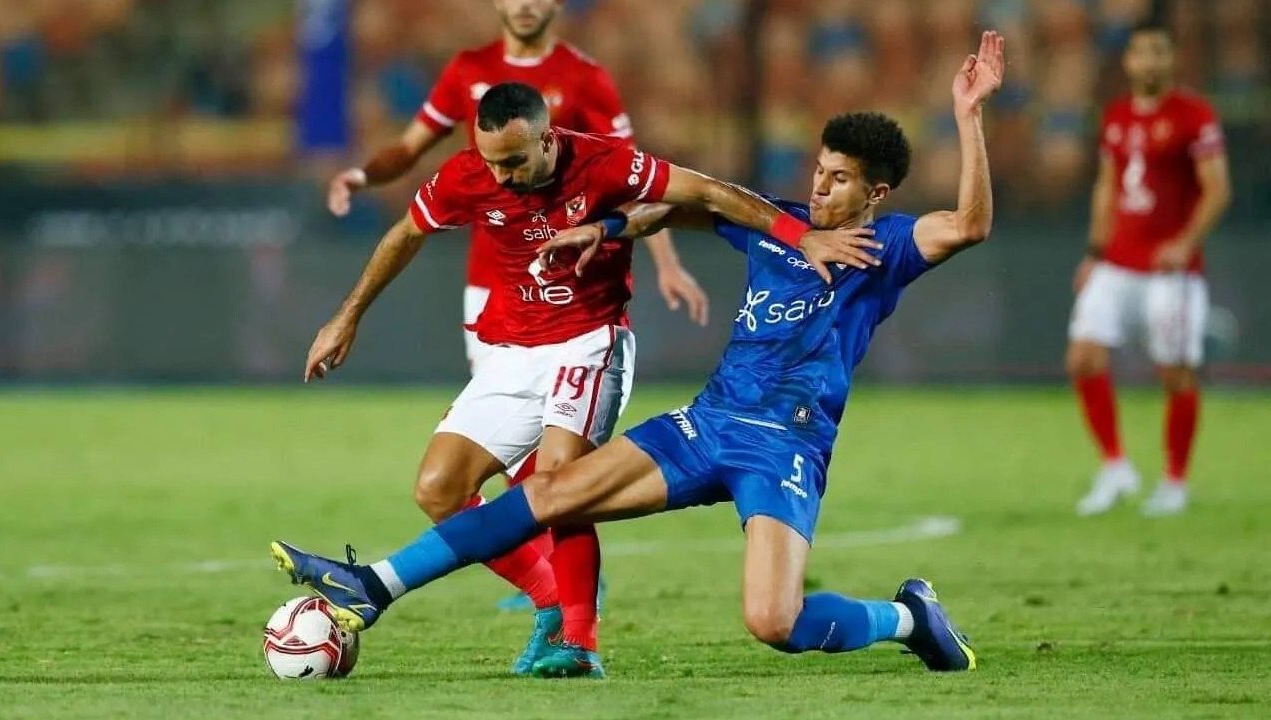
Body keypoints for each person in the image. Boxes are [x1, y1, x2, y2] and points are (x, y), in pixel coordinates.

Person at [274, 32, 1004, 679]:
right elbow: (680, 205)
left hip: (784, 444)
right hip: (708, 423)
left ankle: (909, 618)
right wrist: (610, 229)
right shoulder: (780, 223)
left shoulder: (889, 246)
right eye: (818, 169)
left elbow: (969, 225)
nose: (819, 185)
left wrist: (968, 116)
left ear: (876, 192)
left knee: (774, 622)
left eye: (839, 179)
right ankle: (376, 585)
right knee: (554, 493)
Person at [325, 0, 708, 374]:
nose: (524, 5)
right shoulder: (468, 69)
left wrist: (667, 263)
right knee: (498, 410)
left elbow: (634, 178)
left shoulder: (584, 77)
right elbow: (409, 147)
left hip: (568, 288)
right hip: (490, 281)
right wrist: (363, 177)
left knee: (565, 410)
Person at [1068, 20, 1231, 517]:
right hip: (1118, 261)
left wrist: (1185, 243)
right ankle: (1116, 467)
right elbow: (1107, 187)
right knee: (1083, 358)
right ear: (1128, 60)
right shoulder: (1116, 116)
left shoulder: (1194, 115)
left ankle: (1175, 481)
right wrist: (1095, 252)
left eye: (1159, 51)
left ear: (1172, 58)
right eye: (1142, 52)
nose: (1150, 61)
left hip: (1170, 271)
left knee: (1175, 372)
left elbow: (1217, 189)